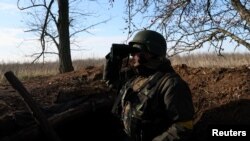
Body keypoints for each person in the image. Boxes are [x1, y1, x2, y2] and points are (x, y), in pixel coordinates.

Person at [104, 30, 195, 141]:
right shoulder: (137, 76)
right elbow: (112, 81)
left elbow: (183, 126)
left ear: (150, 53)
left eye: (136, 51)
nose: (132, 55)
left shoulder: (171, 85)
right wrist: (113, 59)